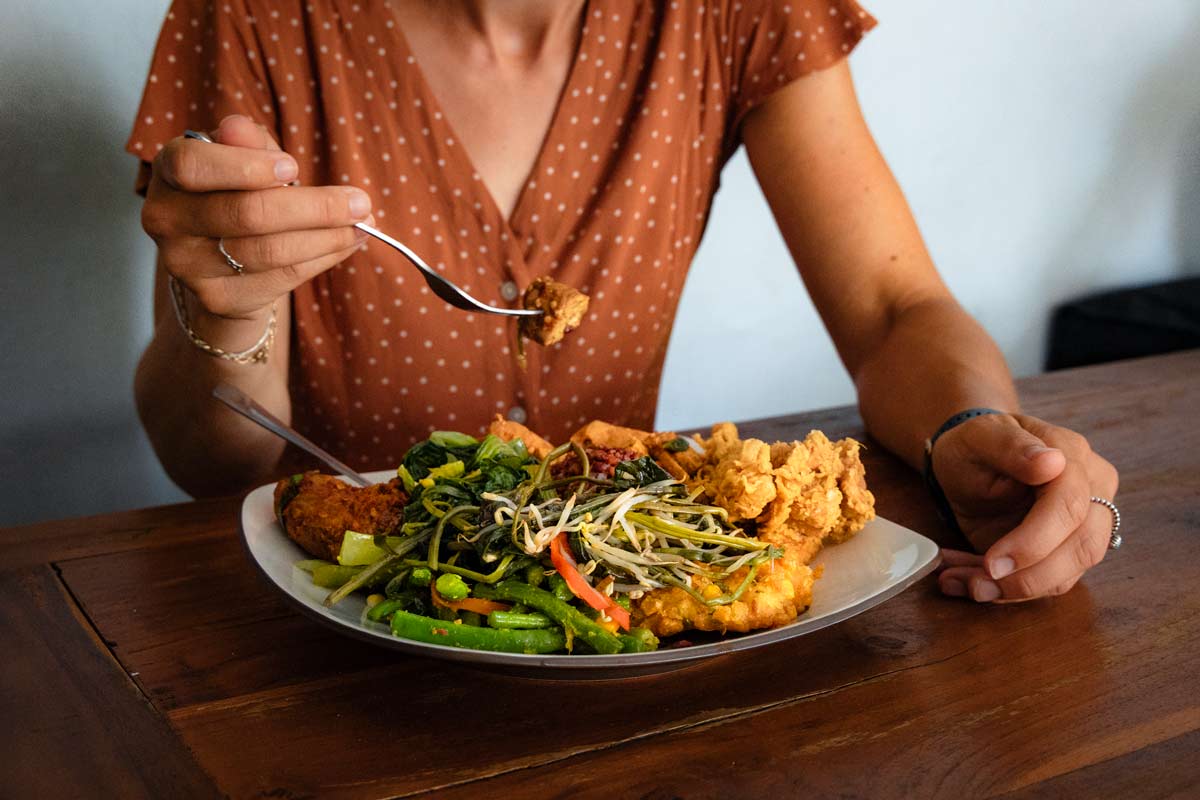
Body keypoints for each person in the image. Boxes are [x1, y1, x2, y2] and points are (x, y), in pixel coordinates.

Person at [128, 0, 1119, 605]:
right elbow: (215, 461)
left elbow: (897, 308)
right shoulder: (251, 14)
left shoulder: (727, 10)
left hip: (640, 631)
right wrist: (222, 314)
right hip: (344, 639)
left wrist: (972, 428)